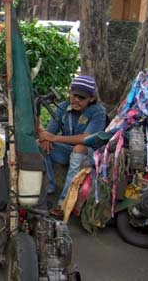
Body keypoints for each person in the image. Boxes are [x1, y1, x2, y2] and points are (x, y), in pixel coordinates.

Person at [38, 76, 107, 216]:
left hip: (91, 155)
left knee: (79, 147)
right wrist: (46, 138)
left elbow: (86, 139)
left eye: (81, 98)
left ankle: (64, 203)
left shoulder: (98, 112)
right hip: (67, 150)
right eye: (74, 95)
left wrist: (53, 137)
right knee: (39, 144)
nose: (76, 100)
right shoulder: (63, 107)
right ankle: (49, 187)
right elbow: (50, 133)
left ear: (91, 99)